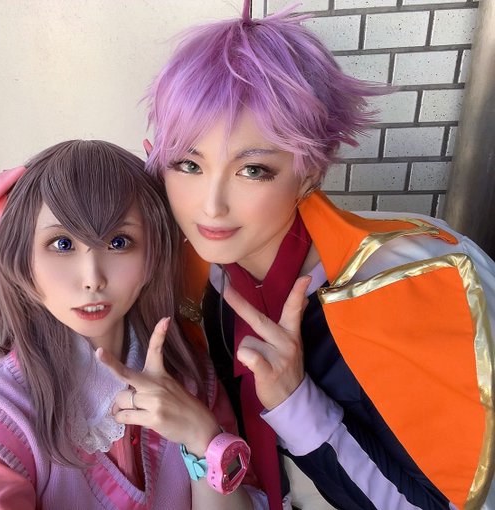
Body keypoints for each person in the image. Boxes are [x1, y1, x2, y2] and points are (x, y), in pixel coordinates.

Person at [142, 3, 495, 510]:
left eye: (253, 170)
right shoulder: (185, 276)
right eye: (188, 164)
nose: (211, 205)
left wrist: (294, 401)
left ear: (310, 172)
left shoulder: (411, 280)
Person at [0, 140, 267, 509]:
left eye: (119, 242)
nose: (92, 278)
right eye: (62, 244)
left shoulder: (191, 378)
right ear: (22, 259)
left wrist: (202, 438)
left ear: (153, 255)